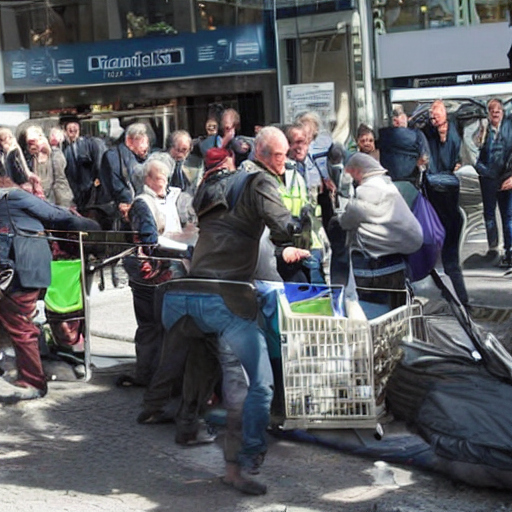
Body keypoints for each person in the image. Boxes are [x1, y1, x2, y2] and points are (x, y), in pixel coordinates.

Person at [141, 128, 306, 495]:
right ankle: (239, 466)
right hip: (227, 297)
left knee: (200, 362)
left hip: (190, 294)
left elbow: (203, 225)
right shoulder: (261, 182)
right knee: (253, 386)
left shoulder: (215, 181)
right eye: (280, 156)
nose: (285, 162)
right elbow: (284, 228)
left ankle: (185, 427)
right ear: (267, 154)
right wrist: (299, 227)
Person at [0, 176, 100, 403]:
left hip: (18, 266)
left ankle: (33, 381)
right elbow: (59, 216)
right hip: (20, 264)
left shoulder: (12, 197)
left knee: (20, 324)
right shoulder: (14, 196)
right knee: (19, 322)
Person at [118, 158, 190, 388]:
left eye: (167, 178)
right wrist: (175, 242)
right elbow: (148, 240)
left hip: (169, 269)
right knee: (151, 325)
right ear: (148, 179)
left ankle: (159, 376)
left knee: (163, 326)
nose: (165, 183)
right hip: (150, 274)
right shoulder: (142, 203)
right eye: (160, 178)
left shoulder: (172, 198)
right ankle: (149, 375)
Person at [328, 153, 423, 310]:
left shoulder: (364, 192)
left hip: (369, 270)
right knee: (397, 317)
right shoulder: (391, 188)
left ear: (358, 172)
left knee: (373, 316)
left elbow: (346, 221)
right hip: (398, 267)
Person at [422, 99, 469, 305]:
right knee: (434, 259)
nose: (433, 117)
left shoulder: (455, 134)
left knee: (450, 260)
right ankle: (450, 300)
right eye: (432, 114)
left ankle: (461, 301)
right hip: (434, 200)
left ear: (445, 115)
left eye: (437, 113)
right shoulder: (426, 133)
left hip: (448, 202)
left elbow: (461, 160)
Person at [475, 98, 512, 267]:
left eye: (498, 110)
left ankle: (509, 251)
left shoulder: (509, 129)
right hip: (488, 179)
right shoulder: (483, 130)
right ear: (488, 114)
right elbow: (473, 154)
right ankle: (493, 248)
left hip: (507, 179)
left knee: (508, 216)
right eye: (492, 110)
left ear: (503, 113)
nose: (495, 113)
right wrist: (484, 171)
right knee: (489, 215)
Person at [378, 105, 430, 207]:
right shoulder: (417, 135)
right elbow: (425, 158)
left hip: (388, 185)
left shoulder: (382, 135)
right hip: (410, 183)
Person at [100, 122, 150, 223]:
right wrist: (129, 203)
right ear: (129, 141)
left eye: (147, 142)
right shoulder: (112, 156)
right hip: (119, 210)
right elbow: (116, 186)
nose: (145, 147)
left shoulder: (142, 157)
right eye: (142, 142)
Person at [62, 118, 107, 215]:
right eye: (69, 127)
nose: (73, 130)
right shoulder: (65, 150)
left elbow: (99, 166)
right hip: (77, 196)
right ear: (65, 131)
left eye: (75, 126)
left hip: (91, 195)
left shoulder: (92, 143)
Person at [23, 125, 73, 207]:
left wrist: (64, 208)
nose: (31, 146)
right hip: (37, 203)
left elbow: (60, 182)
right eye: (29, 143)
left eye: (33, 142)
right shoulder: (29, 159)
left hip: (54, 203)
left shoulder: (55, 155)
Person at [0, 127, 42, 196]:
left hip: (19, 185)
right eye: (2, 140)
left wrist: (26, 179)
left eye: (8, 138)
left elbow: (21, 167)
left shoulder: (14, 151)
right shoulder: (5, 153)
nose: (6, 142)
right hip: (10, 187)